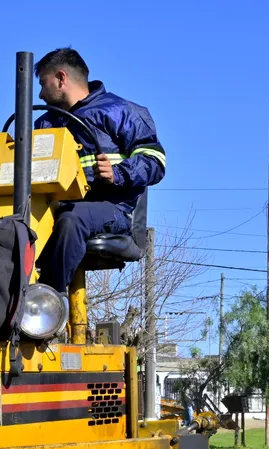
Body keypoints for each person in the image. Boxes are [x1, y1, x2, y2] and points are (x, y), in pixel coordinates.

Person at [33, 48, 166, 293]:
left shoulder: (119, 111)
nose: (40, 94)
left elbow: (154, 161)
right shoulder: (44, 123)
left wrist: (118, 173)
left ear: (61, 78)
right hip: (55, 208)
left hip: (111, 209)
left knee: (71, 219)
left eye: (43, 83)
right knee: (6, 226)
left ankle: (46, 300)